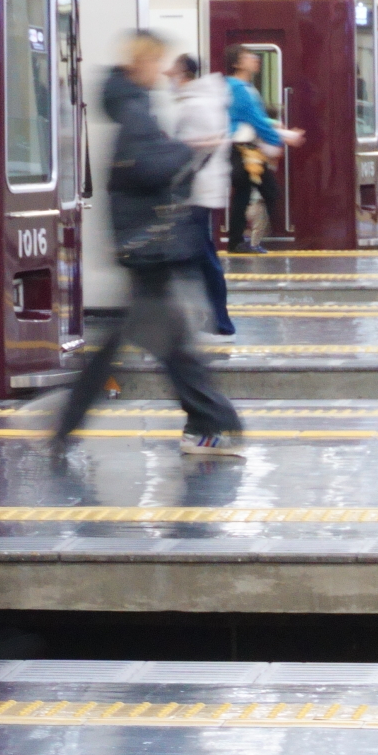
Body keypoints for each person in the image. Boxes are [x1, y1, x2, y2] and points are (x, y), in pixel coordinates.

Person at [55, 32, 243, 458]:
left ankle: (67, 420)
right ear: (139, 62)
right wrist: (189, 150)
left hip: (142, 243)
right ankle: (211, 422)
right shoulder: (136, 109)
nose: (160, 71)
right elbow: (146, 169)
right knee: (172, 345)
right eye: (155, 61)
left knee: (141, 340)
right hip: (150, 244)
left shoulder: (129, 106)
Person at [170, 53, 236, 336]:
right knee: (201, 253)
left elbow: (200, 146)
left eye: (172, 71)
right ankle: (214, 318)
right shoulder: (204, 101)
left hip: (195, 190)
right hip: (200, 189)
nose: (168, 76)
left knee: (202, 254)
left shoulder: (196, 105)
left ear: (183, 73)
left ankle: (219, 319)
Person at [223, 44, 304, 254]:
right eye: (246, 56)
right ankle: (260, 237)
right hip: (244, 150)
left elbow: (256, 117)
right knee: (268, 192)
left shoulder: (242, 87)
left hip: (246, 148)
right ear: (236, 64)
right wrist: (280, 139)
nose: (253, 59)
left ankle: (239, 240)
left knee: (244, 194)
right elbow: (255, 120)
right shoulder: (239, 89)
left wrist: (275, 127)